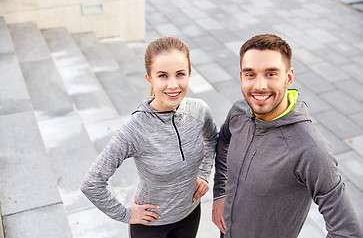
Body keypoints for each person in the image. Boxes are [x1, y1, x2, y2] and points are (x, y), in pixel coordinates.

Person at [212, 34, 363, 237]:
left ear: (288, 78)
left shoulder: (310, 148)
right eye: (250, 74)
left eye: (271, 74)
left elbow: (347, 231)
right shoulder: (239, 112)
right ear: (241, 77)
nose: (259, 86)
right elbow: (223, 142)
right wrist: (220, 192)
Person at [81, 37, 218, 238]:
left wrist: (204, 174)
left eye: (180, 74)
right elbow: (91, 183)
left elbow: (212, 138)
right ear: (149, 79)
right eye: (163, 75)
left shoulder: (199, 110)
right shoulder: (135, 129)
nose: (173, 85)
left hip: (190, 215)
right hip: (151, 226)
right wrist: (125, 214)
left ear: (189, 73)